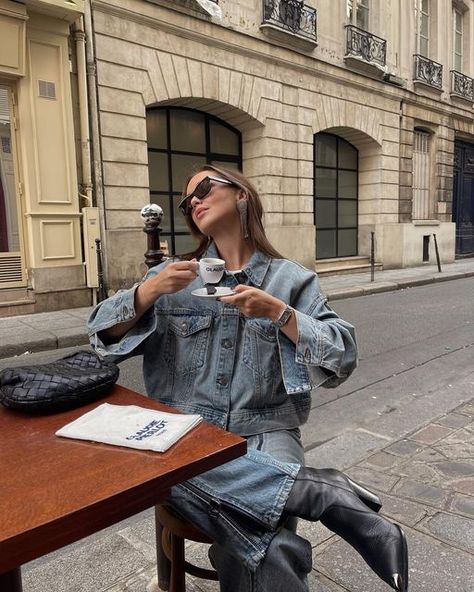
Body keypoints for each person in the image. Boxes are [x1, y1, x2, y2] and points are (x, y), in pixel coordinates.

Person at [88, 165, 408, 592]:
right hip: (184, 431)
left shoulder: (292, 280)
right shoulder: (171, 279)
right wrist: (148, 291)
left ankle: (309, 495)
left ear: (241, 195)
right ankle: (319, 493)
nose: (194, 201)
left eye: (203, 187)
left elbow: (343, 356)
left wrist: (281, 314)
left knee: (236, 521)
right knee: (262, 537)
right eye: (187, 201)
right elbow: (100, 337)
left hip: (266, 427)